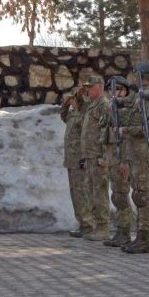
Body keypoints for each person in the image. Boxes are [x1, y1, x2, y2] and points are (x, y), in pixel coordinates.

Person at [118, 61, 149, 254]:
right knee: (137, 193)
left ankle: (144, 237)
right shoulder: (138, 96)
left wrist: (124, 129)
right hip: (133, 150)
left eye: (140, 76)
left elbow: (146, 126)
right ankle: (139, 236)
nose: (136, 79)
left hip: (143, 150)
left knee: (142, 194)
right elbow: (127, 116)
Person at [99, 76, 135, 248]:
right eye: (112, 90)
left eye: (119, 89)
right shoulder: (110, 108)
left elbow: (128, 138)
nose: (115, 93)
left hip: (122, 157)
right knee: (116, 195)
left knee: (121, 196)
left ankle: (125, 232)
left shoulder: (128, 108)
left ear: (126, 90)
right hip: (112, 156)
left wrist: (126, 161)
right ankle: (121, 231)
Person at [79, 75, 113, 242]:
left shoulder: (104, 105)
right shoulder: (92, 106)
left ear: (100, 86)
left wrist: (104, 156)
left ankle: (103, 228)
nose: (88, 90)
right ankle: (96, 226)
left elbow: (106, 132)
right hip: (90, 156)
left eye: (91, 87)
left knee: (99, 193)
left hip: (98, 157)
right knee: (91, 191)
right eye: (87, 87)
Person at [60, 86, 90, 237]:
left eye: (73, 100)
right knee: (75, 194)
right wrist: (65, 104)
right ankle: (82, 223)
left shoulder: (84, 115)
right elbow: (63, 115)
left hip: (80, 161)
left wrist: (78, 94)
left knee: (82, 193)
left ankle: (88, 224)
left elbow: (87, 138)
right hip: (71, 161)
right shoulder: (72, 115)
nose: (72, 102)